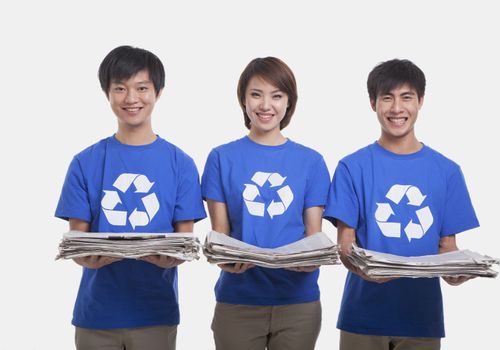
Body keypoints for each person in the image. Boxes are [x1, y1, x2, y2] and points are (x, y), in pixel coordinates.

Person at [55, 45, 206, 350]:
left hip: (156, 314)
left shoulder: (181, 163)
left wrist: (172, 257)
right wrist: (86, 257)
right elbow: (78, 241)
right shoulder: (85, 162)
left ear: (158, 92)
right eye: (120, 88)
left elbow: (184, 241)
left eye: (141, 88)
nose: (131, 98)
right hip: (96, 316)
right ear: (107, 93)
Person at [324, 59, 479, 350]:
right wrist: (363, 269)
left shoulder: (447, 171)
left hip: (422, 319)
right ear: (373, 103)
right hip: (363, 317)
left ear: (420, 101)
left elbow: (447, 247)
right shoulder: (351, 167)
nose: (397, 108)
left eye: (406, 97)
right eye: (387, 98)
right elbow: (345, 245)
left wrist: (458, 272)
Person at [201, 57, 331, 350]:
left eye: (277, 95)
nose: (265, 105)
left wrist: (311, 261)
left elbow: (313, 234)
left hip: (298, 303)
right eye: (256, 94)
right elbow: (220, 233)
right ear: (243, 100)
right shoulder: (221, 158)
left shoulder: (312, 162)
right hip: (238, 300)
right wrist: (223, 258)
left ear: (289, 103)